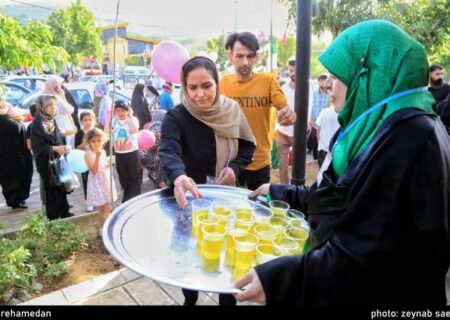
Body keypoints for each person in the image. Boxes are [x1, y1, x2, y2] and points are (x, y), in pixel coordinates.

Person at [235, 20, 450, 306]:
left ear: (367, 76)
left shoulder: (410, 137)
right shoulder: (371, 126)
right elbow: (342, 198)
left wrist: (282, 277)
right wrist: (279, 192)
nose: (328, 88)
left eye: (336, 77)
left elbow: (368, 252)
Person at [159, 56, 256, 306]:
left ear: (217, 84)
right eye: (193, 87)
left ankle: (227, 299)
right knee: (186, 255)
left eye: (207, 86)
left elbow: (247, 146)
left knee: (224, 255)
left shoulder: (231, 111)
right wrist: (179, 175)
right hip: (188, 201)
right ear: (185, 87)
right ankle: (190, 298)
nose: (200, 94)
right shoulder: (176, 117)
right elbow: (168, 150)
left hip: (223, 201)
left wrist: (235, 167)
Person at [220, 31, 296, 190]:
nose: (245, 62)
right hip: (231, 162)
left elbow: (284, 108)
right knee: (232, 207)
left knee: (259, 208)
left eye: (250, 56)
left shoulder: (268, 81)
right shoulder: (223, 83)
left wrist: (289, 113)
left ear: (257, 57)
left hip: (260, 160)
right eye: (239, 56)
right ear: (230, 56)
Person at [31, 95, 74, 220]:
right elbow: (39, 146)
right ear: (42, 107)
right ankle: (54, 217)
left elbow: (55, 137)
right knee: (52, 188)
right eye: (49, 105)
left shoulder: (49, 119)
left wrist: (63, 146)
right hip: (47, 161)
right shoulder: (38, 123)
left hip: (57, 159)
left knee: (61, 186)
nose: (53, 107)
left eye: (54, 104)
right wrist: (55, 149)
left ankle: (64, 211)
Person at [0, 88, 33, 209]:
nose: (2, 101)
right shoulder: (3, 118)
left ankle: (18, 199)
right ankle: (15, 200)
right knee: (11, 178)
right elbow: (13, 129)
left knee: (20, 175)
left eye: (2, 98)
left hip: (17, 152)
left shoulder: (8, 111)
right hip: (8, 155)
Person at [104, 100, 141, 203]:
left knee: (134, 176)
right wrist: (110, 116)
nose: (120, 113)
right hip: (119, 154)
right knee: (123, 177)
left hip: (132, 153)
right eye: (118, 111)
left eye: (123, 110)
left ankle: (135, 198)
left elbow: (133, 130)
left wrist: (130, 116)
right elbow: (106, 133)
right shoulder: (114, 121)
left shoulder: (133, 119)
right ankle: (127, 197)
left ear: (128, 110)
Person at [84, 127, 117, 234]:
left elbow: (103, 166)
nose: (96, 143)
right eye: (93, 141)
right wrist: (97, 157)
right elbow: (94, 170)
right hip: (97, 183)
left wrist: (108, 163)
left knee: (107, 206)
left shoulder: (102, 151)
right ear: (88, 142)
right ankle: (103, 229)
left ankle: (105, 226)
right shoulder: (88, 154)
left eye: (99, 140)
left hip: (105, 180)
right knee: (105, 207)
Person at [275, 59, 296, 184]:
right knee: (282, 166)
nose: (293, 73)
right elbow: (277, 110)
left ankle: (296, 190)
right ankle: (284, 190)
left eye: (295, 70)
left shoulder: (309, 86)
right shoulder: (283, 88)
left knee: (298, 166)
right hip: (282, 132)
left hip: (298, 134)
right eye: (291, 70)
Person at [43, 76, 77, 148]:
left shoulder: (44, 97)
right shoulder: (56, 98)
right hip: (63, 126)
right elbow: (71, 109)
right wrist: (63, 96)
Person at [75, 110, 96, 212]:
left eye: (90, 120)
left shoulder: (96, 131)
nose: (88, 122)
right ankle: (89, 201)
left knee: (98, 180)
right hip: (84, 161)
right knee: (86, 181)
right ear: (81, 121)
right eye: (85, 120)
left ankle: (99, 199)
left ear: (94, 120)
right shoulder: (79, 134)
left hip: (96, 160)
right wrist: (83, 143)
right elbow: (77, 148)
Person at [307, 74, 330, 160]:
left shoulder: (330, 94)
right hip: (315, 123)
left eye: (324, 81)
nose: (323, 83)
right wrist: (310, 118)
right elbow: (311, 106)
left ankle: (321, 160)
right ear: (319, 82)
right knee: (315, 143)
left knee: (323, 143)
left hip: (325, 124)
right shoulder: (314, 93)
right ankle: (315, 159)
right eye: (321, 81)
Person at [315, 101, 340, 168]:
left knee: (321, 172)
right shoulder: (341, 113)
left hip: (323, 148)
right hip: (335, 150)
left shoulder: (324, 111)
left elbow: (318, 131)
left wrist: (319, 145)